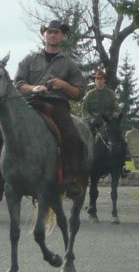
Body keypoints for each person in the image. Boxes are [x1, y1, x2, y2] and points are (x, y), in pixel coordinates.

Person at [14, 19, 88, 197]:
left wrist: (64, 85)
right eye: (49, 31)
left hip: (57, 105)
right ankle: (0, 176)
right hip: (32, 103)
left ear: (62, 36)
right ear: (43, 34)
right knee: (2, 133)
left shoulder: (69, 63)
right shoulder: (29, 59)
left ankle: (70, 178)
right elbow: (18, 84)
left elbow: (79, 93)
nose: (53, 35)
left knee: (72, 137)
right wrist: (34, 88)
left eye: (57, 32)